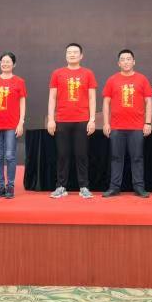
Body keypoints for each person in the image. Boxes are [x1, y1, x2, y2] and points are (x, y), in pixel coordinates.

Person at [101, 49, 152, 198]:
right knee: (116, 158)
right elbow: (106, 103)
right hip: (117, 126)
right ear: (118, 63)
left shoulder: (142, 79)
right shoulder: (112, 80)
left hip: (136, 127)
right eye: (123, 59)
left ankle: (139, 187)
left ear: (134, 61)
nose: (126, 62)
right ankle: (114, 187)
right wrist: (106, 123)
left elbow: (149, 102)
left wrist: (148, 123)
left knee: (137, 158)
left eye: (128, 59)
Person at [47, 43, 97, 199]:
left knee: (82, 154)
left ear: (81, 55)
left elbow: (92, 98)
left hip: (82, 120)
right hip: (62, 120)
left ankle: (84, 187)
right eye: (69, 52)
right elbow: (52, 97)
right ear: (65, 55)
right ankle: (61, 186)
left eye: (75, 52)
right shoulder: (57, 73)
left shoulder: (88, 73)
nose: (72, 54)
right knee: (62, 154)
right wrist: (51, 119)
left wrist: (92, 120)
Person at [0, 52, 26, 199]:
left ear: (14, 64)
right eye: (3, 61)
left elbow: (22, 102)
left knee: (10, 156)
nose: (5, 64)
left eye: (8, 61)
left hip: (12, 124)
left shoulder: (19, 81)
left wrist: (21, 122)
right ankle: (0, 186)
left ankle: (10, 186)